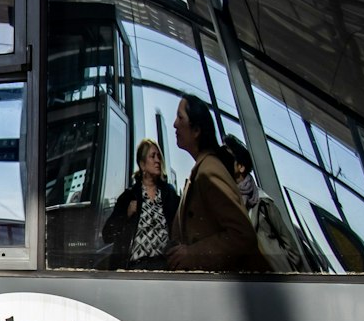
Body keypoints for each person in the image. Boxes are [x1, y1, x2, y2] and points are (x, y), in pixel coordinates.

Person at [166, 95, 265, 273]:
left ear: (196, 130)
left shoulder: (209, 171)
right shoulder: (202, 169)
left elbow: (242, 235)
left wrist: (192, 254)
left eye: (180, 117)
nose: (174, 124)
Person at [220, 135, 310, 273]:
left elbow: (289, 243)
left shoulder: (262, 201)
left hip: (275, 276)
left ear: (241, 167)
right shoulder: (224, 203)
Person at [100, 137, 180, 270]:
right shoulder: (128, 196)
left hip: (165, 267)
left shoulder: (169, 194)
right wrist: (126, 214)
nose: (157, 160)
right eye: (152, 156)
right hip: (135, 268)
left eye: (159, 156)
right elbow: (107, 235)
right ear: (142, 164)